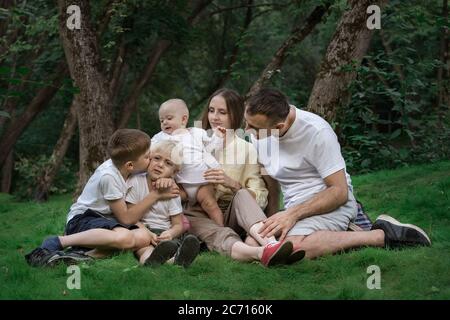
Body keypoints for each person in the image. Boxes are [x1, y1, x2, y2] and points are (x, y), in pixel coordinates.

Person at [244, 88, 431, 259]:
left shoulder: (317, 132)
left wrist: (292, 215)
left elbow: (339, 192)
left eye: (253, 127)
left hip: (330, 203)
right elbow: (272, 185)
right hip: (296, 207)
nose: (246, 131)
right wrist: (273, 219)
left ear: (279, 127)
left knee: (291, 249)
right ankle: (341, 235)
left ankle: (380, 236)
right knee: (254, 242)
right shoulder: (258, 134)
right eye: (247, 123)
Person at [183, 88, 306, 267]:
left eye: (222, 112)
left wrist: (232, 184)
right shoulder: (193, 141)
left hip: (230, 212)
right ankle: (263, 252)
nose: (214, 117)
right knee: (209, 227)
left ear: (235, 114)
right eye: (211, 110)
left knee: (242, 194)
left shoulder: (246, 149)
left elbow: (260, 195)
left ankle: (271, 244)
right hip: (197, 212)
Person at [25, 129, 179, 267]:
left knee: (143, 237)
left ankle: (81, 255)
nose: (151, 159)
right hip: (83, 219)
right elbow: (126, 219)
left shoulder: (128, 165)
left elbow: (161, 166)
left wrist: (165, 180)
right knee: (126, 236)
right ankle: (59, 241)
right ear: (130, 165)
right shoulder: (109, 176)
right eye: (147, 157)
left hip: (106, 221)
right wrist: (156, 194)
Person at [152, 98, 226, 227]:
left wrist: (218, 137)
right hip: (179, 183)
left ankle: (222, 229)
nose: (164, 122)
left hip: (202, 181)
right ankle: (172, 228)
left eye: (169, 118)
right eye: (161, 120)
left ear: (183, 119)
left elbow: (211, 147)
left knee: (210, 205)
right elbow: (150, 151)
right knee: (170, 201)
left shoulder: (197, 133)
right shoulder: (160, 137)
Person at [126, 140, 200, 268]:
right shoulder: (135, 182)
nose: (160, 165)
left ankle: (176, 260)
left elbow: (178, 225)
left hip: (165, 233)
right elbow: (130, 218)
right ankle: (149, 261)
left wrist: (170, 233)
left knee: (172, 245)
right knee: (144, 248)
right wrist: (147, 233)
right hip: (143, 230)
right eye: (157, 158)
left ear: (174, 172)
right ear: (149, 159)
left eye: (168, 163)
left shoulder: (172, 191)